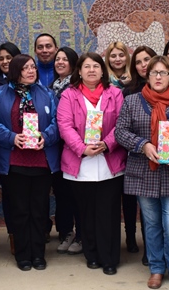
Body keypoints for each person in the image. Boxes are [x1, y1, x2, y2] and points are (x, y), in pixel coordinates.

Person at [115, 55, 169, 290]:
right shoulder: (132, 101)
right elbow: (120, 131)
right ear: (147, 76)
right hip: (144, 172)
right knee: (151, 223)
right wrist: (143, 145)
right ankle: (156, 268)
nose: (159, 77)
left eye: (163, 73)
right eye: (154, 73)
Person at [0, 54, 60, 271]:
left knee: (39, 210)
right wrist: (12, 138)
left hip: (41, 161)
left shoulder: (47, 94)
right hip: (13, 161)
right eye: (25, 68)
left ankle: (38, 254)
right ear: (15, 71)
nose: (31, 71)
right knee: (19, 210)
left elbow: (59, 121)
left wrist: (45, 137)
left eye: (33, 67)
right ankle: (22, 254)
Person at [58, 52, 126, 274]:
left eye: (96, 66)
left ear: (102, 70)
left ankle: (110, 258)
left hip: (110, 162)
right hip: (80, 163)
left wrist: (107, 144)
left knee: (108, 212)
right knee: (85, 212)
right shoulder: (69, 95)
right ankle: (92, 254)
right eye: (86, 66)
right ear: (79, 70)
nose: (91, 70)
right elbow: (64, 125)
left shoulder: (115, 93)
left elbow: (122, 124)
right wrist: (82, 148)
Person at [121, 45, 157, 260]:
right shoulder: (129, 91)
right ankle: (144, 247)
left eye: (147, 60)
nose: (144, 65)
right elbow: (122, 127)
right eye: (139, 62)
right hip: (137, 157)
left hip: (166, 159)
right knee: (145, 208)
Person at [0, 42, 22, 253]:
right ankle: (13, 237)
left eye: (9, 57)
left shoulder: (32, 85)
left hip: (32, 151)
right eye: (1, 58)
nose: (5, 62)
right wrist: (10, 137)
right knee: (10, 197)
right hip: (6, 151)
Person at [51, 46, 82, 255]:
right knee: (61, 194)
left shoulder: (77, 87)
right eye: (57, 59)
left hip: (76, 147)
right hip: (55, 147)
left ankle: (80, 235)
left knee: (77, 195)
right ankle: (65, 232)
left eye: (64, 59)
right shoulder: (50, 87)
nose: (60, 62)